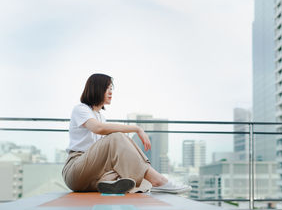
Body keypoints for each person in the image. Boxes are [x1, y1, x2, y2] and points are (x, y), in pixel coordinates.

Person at [62, 73, 191, 194]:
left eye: (111, 88)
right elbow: (98, 128)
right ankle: (159, 181)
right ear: (96, 89)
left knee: (131, 175)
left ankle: (121, 184)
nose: (111, 92)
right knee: (117, 137)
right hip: (76, 169)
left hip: (92, 176)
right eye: (107, 88)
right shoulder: (81, 109)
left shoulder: (101, 117)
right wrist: (136, 128)